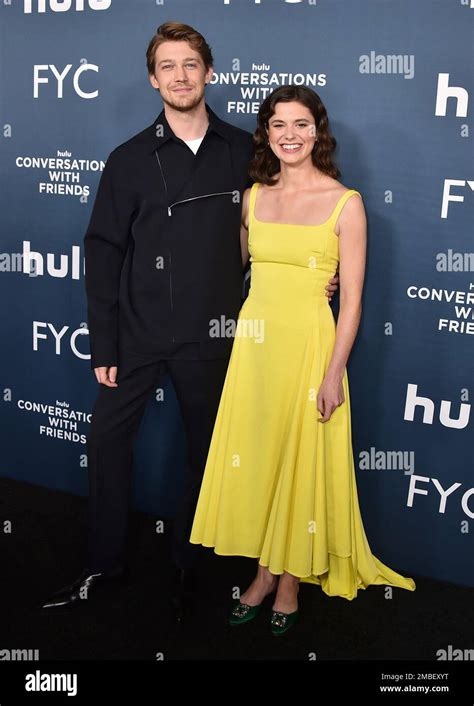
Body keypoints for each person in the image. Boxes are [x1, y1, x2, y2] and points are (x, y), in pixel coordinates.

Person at [40, 24, 339, 621]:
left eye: (190, 64)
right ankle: (104, 563)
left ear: (209, 72)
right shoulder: (127, 159)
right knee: (105, 445)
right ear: (154, 79)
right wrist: (105, 339)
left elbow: (283, 220)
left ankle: (188, 566)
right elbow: (102, 251)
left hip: (217, 340)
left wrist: (315, 270)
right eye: (167, 66)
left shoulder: (244, 153)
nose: (180, 75)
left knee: (207, 455)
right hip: (138, 334)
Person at [190, 85, 416, 635]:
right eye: (278, 125)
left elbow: (355, 299)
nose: (290, 135)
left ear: (319, 132)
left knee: (301, 462)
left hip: (311, 347)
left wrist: (334, 373)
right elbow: (233, 268)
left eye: (301, 124)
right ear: (266, 133)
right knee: (265, 460)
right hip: (255, 348)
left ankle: (287, 580)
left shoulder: (346, 203)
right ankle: (264, 575)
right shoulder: (253, 197)